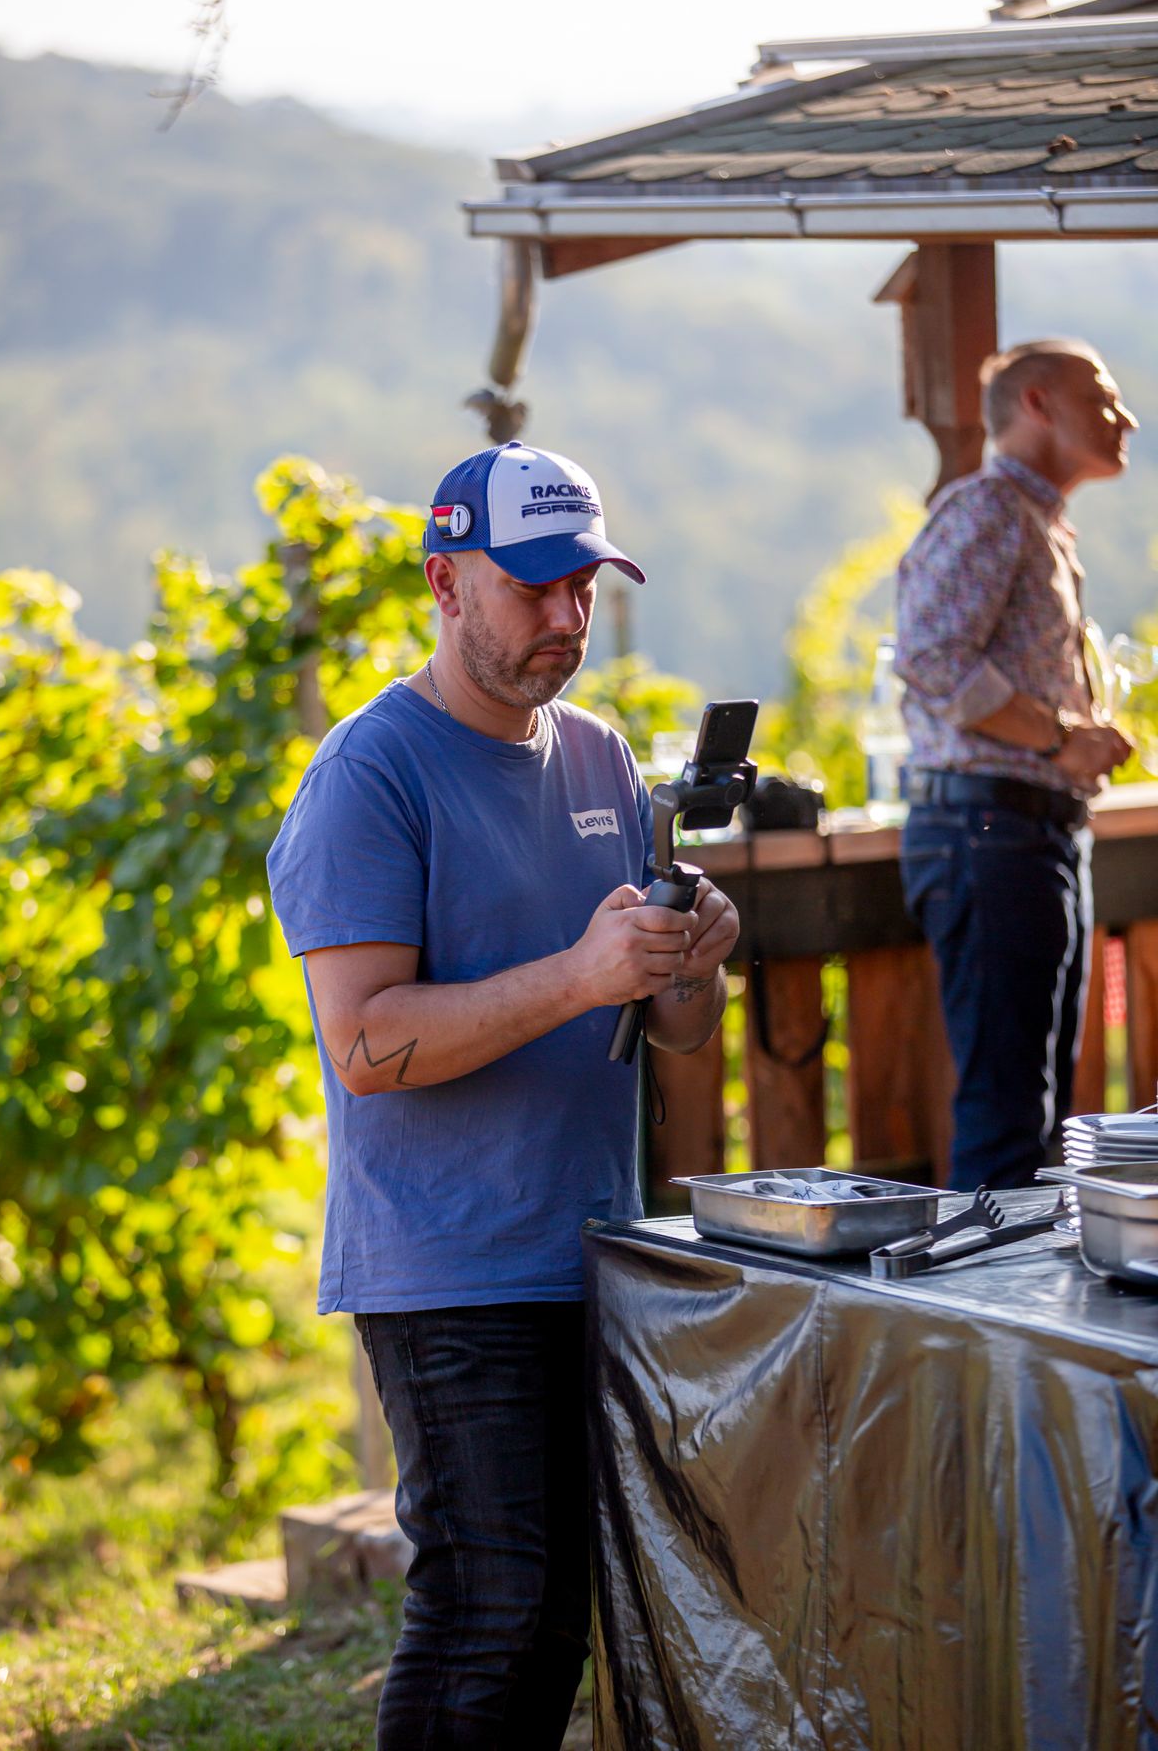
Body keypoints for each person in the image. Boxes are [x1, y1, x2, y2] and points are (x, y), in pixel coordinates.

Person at [266, 439, 740, 1750]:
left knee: (553, 1620)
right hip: (447, 1268)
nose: (566, 616)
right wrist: (585, 972)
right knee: (490, 1608)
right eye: (533, 587)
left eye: (585, 585)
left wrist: (687, 965)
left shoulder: (602, 758)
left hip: (590, 1248)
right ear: (444, 582)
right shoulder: (370, 776)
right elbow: (364, 1044)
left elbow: (675, 1033)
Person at [896, 340, 1138, 1193]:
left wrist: (1070, 737)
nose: (1127, 419)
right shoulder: (990, 509)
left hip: (1021, 830)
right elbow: (927, 656)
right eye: (1105, 401)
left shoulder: (1029, 519)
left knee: (1028, 1115)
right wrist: (1056, 739)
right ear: (1037, 404)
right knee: (1008, 1118)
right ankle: (983, 1328)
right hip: (988, 830)